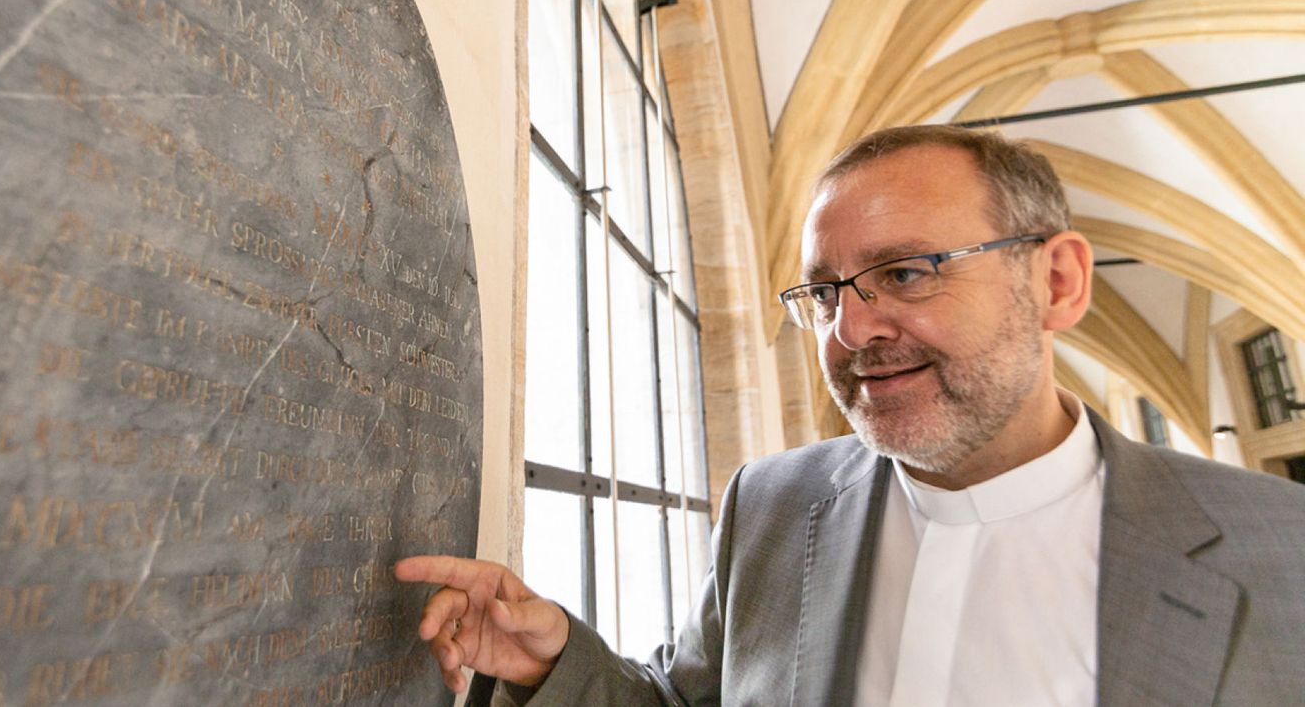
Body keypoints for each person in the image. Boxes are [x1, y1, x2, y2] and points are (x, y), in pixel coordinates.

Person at [396, 125, 1305, 706]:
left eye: (905, 273)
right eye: (825, 293)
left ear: (1056, 282)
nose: (852, 329)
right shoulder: (774, 504)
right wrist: (556, 660)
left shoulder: (1282, 550)